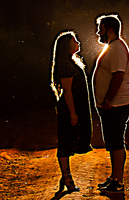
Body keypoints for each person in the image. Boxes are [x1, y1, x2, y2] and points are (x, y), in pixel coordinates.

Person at [92, 13, 129, 194]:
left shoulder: (117, 47)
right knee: (111, 141)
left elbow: (118, 76)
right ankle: (114, 178)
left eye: (100, 29)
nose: (97, 32)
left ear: (109, 30)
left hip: (116, 105)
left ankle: (117, 182)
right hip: (112, 104)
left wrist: (108, 100)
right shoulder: (114, 46)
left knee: (116, 142)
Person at [51, 30, 92, 192]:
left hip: (75, 106)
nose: (78, 42)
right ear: (67, 45)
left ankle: (66, 176)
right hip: (69, 107)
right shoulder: (65, 65)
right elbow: (67, 91)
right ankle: (66, 177)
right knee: (66, 142)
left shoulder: (71, 62)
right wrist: (73, 113)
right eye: (74, 41)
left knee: (70, 141)